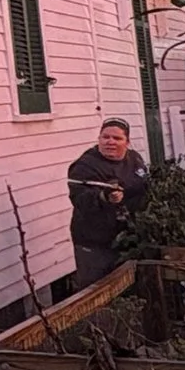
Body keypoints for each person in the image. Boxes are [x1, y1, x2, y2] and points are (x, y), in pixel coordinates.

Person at [67, 117, 150, 282]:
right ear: (99, 139)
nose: (110, 142)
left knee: (130, 287)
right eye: (105, 137)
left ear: (127, 142)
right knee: (97, 291)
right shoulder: (84, 166)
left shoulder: (135, 160)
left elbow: (144, 187)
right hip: (95, 243)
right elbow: (81, 199)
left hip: (129, 240)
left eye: (117, 138)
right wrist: (105, 197)